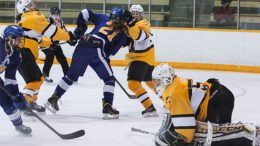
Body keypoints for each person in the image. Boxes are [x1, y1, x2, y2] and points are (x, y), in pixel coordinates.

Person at [44, 7, 129, 119]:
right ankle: (107, 106)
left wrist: (80, 30)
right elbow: (111, 53)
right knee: (109, 79)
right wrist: (104, 57)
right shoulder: (123, 34)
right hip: (96, 49)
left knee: (70, 77)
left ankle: (53, 99)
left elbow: (85, 12)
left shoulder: (103, 17)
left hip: (83, 43)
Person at [152, 64, 259, 146]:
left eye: (157, 81)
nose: (154, 85)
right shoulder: (174, 86)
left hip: (218, 99)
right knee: (219, 135)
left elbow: (187, 129)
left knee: (218, 136)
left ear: (166, 79)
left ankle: (252, 135)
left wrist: (183, 141)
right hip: (218, 96)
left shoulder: (173, 93)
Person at [16, 0, 76, 114]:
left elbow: (35, 38)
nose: (33, 5)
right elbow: (52, 31)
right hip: (25, 52)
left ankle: (31, 102)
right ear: (24, 9)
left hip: (22, 52)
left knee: (38, 79)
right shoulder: (34, 16)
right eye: (29, 5)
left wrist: (49, 43)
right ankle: (25, 104)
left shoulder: (24, 19)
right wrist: (68, 36)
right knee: (34, 80)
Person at [121, 5, 158, 117]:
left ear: (141, 15)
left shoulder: (144, 23)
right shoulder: (128, 25)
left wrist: (130, 24)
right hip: (144, 58)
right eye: (133, 13)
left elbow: (138, 36)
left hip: (142, 57)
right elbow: (124, 41)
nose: (135, 15)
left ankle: (150, 108)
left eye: (138, 13)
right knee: (150, 81)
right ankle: (169, 99)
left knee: (133, 83)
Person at [0, 25, 32, 134]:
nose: (20, 42)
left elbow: (10, 78)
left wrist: (16, 95)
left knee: (7, 101)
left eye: (20, 40)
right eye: (18, 39)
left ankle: (18, 125)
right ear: (9, 38)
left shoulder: (16, 56)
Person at [41, 7, 70, 83]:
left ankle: (68, 75)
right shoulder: (47, 21)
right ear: (51, 14)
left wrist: (70, 38)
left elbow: (64, 32)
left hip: (55, 44)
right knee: (50, 56)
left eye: (57, 14)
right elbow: (43, 34)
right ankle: (45, 74)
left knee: (62, 58)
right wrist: (49, 42)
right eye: (54, 14)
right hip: (45, 43)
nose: (56, 16)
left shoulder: (61, 22)